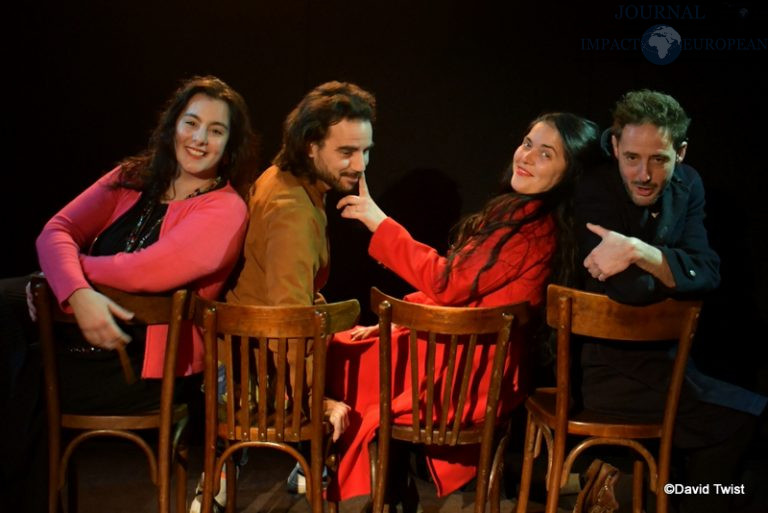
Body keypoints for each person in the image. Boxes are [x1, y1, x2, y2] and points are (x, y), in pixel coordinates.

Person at [1, 75, 255, 512]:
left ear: (230, 144)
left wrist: (64, 279)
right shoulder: (132, 176)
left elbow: (147, 272)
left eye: (216, 130)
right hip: (71, 350)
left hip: (142, 370)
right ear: (172, 125)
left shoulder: (225, 209)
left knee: (13, 364)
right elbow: (56, 231)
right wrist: (78, 293)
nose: (199, 138)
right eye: (191, 122)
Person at [329, 112, 600, 504]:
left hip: (465, 378)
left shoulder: (526, 225)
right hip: (472, 361)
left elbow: (448, 283)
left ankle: (355, 471)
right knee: (350, 346)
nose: (526, 157)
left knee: (331, 355)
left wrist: (379, 222)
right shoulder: (525, 216)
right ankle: (383, 476)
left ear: (569, 171)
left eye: (546, 154)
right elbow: (469, 294)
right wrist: (397, 323)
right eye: (527, 143)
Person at [188, 80, 377, 511]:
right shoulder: (292, 209)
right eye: (346, 152)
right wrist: (318, 400)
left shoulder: (288, 179)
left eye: (365, 151)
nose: (360, 164)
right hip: (248, 368)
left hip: (245, 354)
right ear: (312, 146)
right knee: (369, 375)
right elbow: (287, 323)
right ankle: (312, 471)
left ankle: (285, 473)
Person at [574, 89, 766, 513]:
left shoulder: (689, 184)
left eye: (659, 159)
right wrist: (677, 273)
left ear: (679, 152)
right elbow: (631, 291)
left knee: (749, 421)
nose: (644, 174)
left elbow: (710, 273)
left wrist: (639, 252)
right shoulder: (596, 187)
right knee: (744, 420)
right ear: (615, 146)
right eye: (632, 158)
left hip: (671, 364)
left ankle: (676, 500)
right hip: (614, 371)